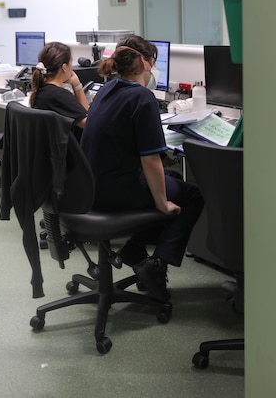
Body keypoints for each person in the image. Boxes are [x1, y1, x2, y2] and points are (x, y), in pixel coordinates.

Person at [80, 35, 204, 303]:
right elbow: (149, 161)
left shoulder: (106, 90)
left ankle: (134, 249)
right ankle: (156, 264)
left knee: (170, 178)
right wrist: (162, 205)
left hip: (92, 186)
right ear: (145, 63)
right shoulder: (142, 98)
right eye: (153, 62)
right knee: (191, 195)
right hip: (115, 192)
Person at [29, 41, 88, 138]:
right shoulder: (59, 96)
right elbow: (87, 123)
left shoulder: (42, 90)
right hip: (68, 152)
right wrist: (77, 85)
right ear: (64, 67)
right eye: (71, 63)